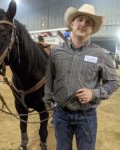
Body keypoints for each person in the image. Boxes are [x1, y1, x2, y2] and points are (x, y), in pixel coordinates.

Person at [43, 4, 119, 150]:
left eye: (88, 22)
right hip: (61, 115)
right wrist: (48, 103)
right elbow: (50, 79)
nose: (83, 24)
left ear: (92, 28)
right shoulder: (56, 52)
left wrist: (94, 93)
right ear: (72, 23)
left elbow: (114, 83)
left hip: (86, 117)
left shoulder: (101, 54)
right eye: (80, 19)